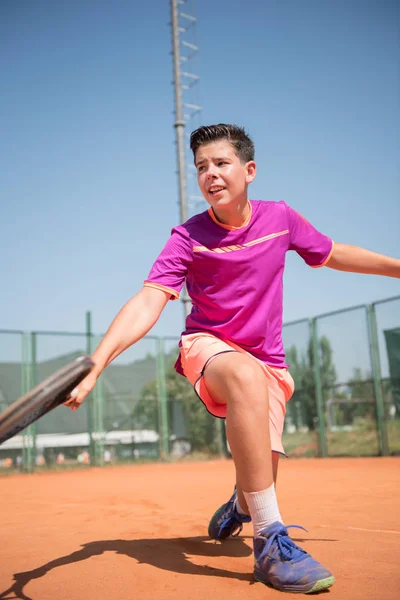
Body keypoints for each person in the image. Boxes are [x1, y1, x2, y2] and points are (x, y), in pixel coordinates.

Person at [65, 124, 400, 594]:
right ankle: (270, 542)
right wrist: (97, 362)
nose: (210, 174)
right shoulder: (187, 236)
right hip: (209, 348)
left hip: (268, 361)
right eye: (201, 167)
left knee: (262, 464)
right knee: (242, 376)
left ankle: (243, 506)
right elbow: (148, 300)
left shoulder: (280, 218)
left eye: (220, 163)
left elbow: (334, 252)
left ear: (249, 170)